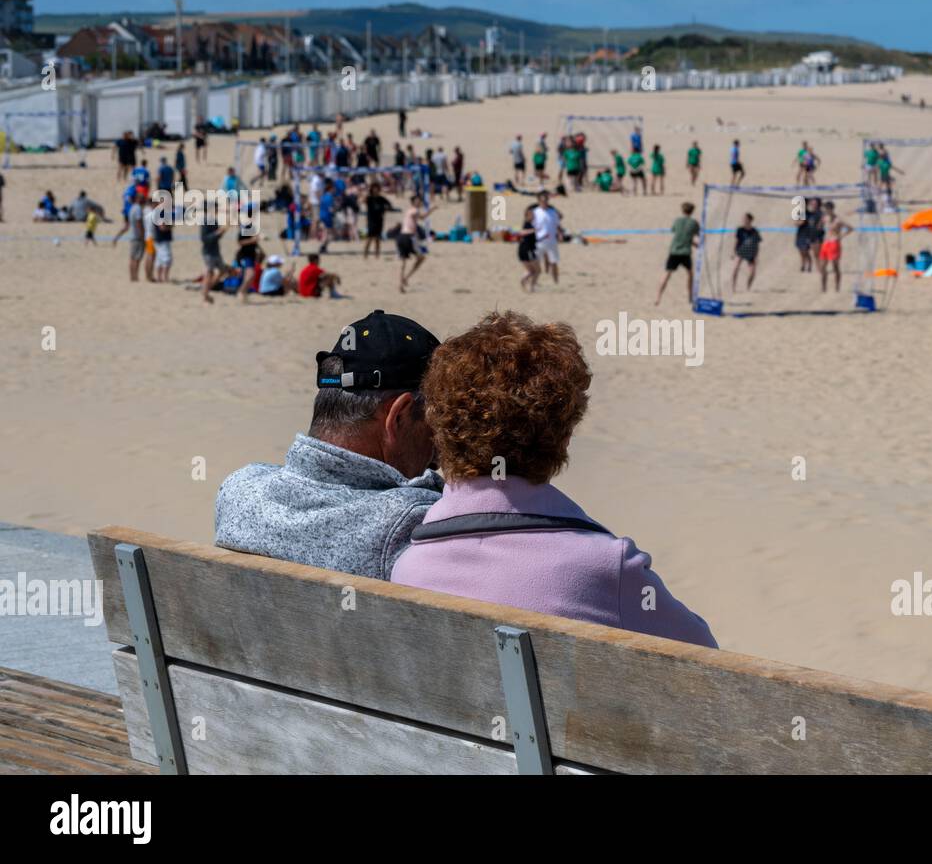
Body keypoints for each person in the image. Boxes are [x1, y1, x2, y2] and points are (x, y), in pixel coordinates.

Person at [391, 311, 716, 647]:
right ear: (563, 436)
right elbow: (704, 656)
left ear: (439, 429)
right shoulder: (605, 567)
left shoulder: (409, 569)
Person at [216, 311, 444, 578]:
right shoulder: (415, 523)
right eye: (437, 421)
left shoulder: (238, 491)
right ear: (399, 417)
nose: (438, 453)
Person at [655, 202, 699, 306]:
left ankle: (658, 297)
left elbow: (678, 234)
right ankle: (690, 298)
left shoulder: (677, 221)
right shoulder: (694, 223)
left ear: (682, 210)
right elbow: (691, 236)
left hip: (674, 250)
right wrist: (695, 244)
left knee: (667, 275)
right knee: (690, 274)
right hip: (685, 252)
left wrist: (691, 242)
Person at [397, 194, 432, 293]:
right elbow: (422, 217)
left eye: (420, 201)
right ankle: (406, 278)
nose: (419, 202)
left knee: (404, 262)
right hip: (408, 237)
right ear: (413, 202)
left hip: (401, 236)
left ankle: (401, 283)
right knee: (421, 258)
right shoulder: (414, 210)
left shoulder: (409, 210)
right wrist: (432, 209)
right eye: (418, 201)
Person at [818, 201, 851, 293]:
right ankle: (823, 287)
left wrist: (841, 236)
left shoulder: (838, 219)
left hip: (834, 242)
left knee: (835, 266)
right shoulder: (825, 218)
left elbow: (850, 228)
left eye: (826, 209)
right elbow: (820, 227)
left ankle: (837, 287)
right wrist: (820, 224)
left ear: (831, 209)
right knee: (823, 266)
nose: (825, 211)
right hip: (826, 242)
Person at [532, 191, 562, 284]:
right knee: (536, 262)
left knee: (554, 262)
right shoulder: (535, 212)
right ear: (539, 201)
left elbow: (557, 224)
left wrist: (560, 234)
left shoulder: (552, 212)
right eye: (542, 200)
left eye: (546, 200)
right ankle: (534, 282)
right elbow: (531, 226)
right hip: (538, 241)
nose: (544, 202)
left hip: (551, 240)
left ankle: (556, 282)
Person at [363, 182, 396, 259]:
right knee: (369, 238)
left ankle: (377, 255)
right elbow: (362, 200)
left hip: (379, 220)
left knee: (377, 239)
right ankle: (365, 255)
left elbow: (390, 205)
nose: (375, 190)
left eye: (377, 188)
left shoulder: (382, 198)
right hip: (371, 220)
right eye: (374, 188)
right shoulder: (369, 198)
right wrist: (367, 192)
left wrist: (386, 208)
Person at [732, 211, 761, 292]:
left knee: (753, 272)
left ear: (750, 220)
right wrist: (733, 252)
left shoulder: (754, 231)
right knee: (735, 268)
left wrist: (756, 256)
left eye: (745, 218)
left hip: (750, 252)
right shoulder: (740, 230)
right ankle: (733, 288)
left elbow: (757, 244)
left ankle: (748, 287)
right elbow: (736, 241)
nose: (743, 220)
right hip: (740, 251)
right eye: (743, 218)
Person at [517, 202, 541, 292]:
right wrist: (533, 230)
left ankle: (525, 282)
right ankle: (531, 286)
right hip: (527, 250)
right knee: (537, 271)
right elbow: (521, 232)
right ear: (528, 215)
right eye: (533, 214)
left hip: (525, 249)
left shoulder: (531, 223)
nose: (534, 215)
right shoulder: (527, 223)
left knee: (532, 271)